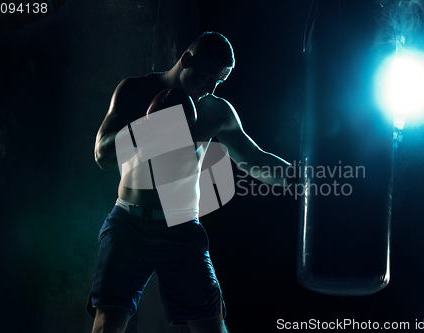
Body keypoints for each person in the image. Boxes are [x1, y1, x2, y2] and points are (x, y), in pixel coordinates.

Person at [88, 31, 292, 333]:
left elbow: (252, 158)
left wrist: (302, 178)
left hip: (181, 228)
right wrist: (148, 129)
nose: (211, 88)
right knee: (107, 323)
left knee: (212, 327)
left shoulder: (215, 110)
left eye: (219, 82)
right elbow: (101, 154)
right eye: (208, 76)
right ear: (186, 60)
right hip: (127, 222)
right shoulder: (134, 90)